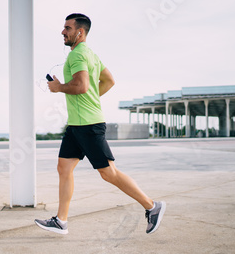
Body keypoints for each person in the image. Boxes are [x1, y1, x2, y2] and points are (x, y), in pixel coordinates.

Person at [34, 13, 166, 235]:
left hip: (88, 125)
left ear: (80, 32)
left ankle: (152, 206)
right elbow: (109, 81)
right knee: (63, 167)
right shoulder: (90, 54)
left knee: (108, 173)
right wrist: (92, 99)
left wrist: (59, 87)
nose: (62, 32)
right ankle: (61, 221)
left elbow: (82, 86)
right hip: (77, 125)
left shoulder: (77, 55)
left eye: (67, 28)